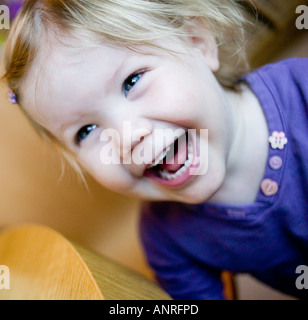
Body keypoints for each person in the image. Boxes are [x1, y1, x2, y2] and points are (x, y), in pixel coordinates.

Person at [2, 0, 308, 299]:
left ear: (197, 42)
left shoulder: (302, 93)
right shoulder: (166, 240)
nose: (126, 138)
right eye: (86, 131)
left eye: (132, 81)